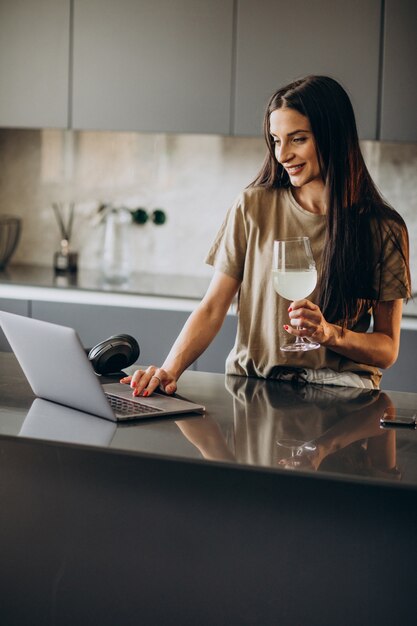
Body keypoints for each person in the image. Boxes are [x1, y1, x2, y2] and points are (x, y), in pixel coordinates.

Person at [122, 75, 411, 396]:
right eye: (276, 140)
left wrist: (330, 335)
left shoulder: (384, 229)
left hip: (342, 393)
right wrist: (167, 370)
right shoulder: (253, 206)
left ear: (333, 137)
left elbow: (387, 349)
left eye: (297, 139)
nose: (282, 154)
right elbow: (213, 306)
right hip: (254, 387)